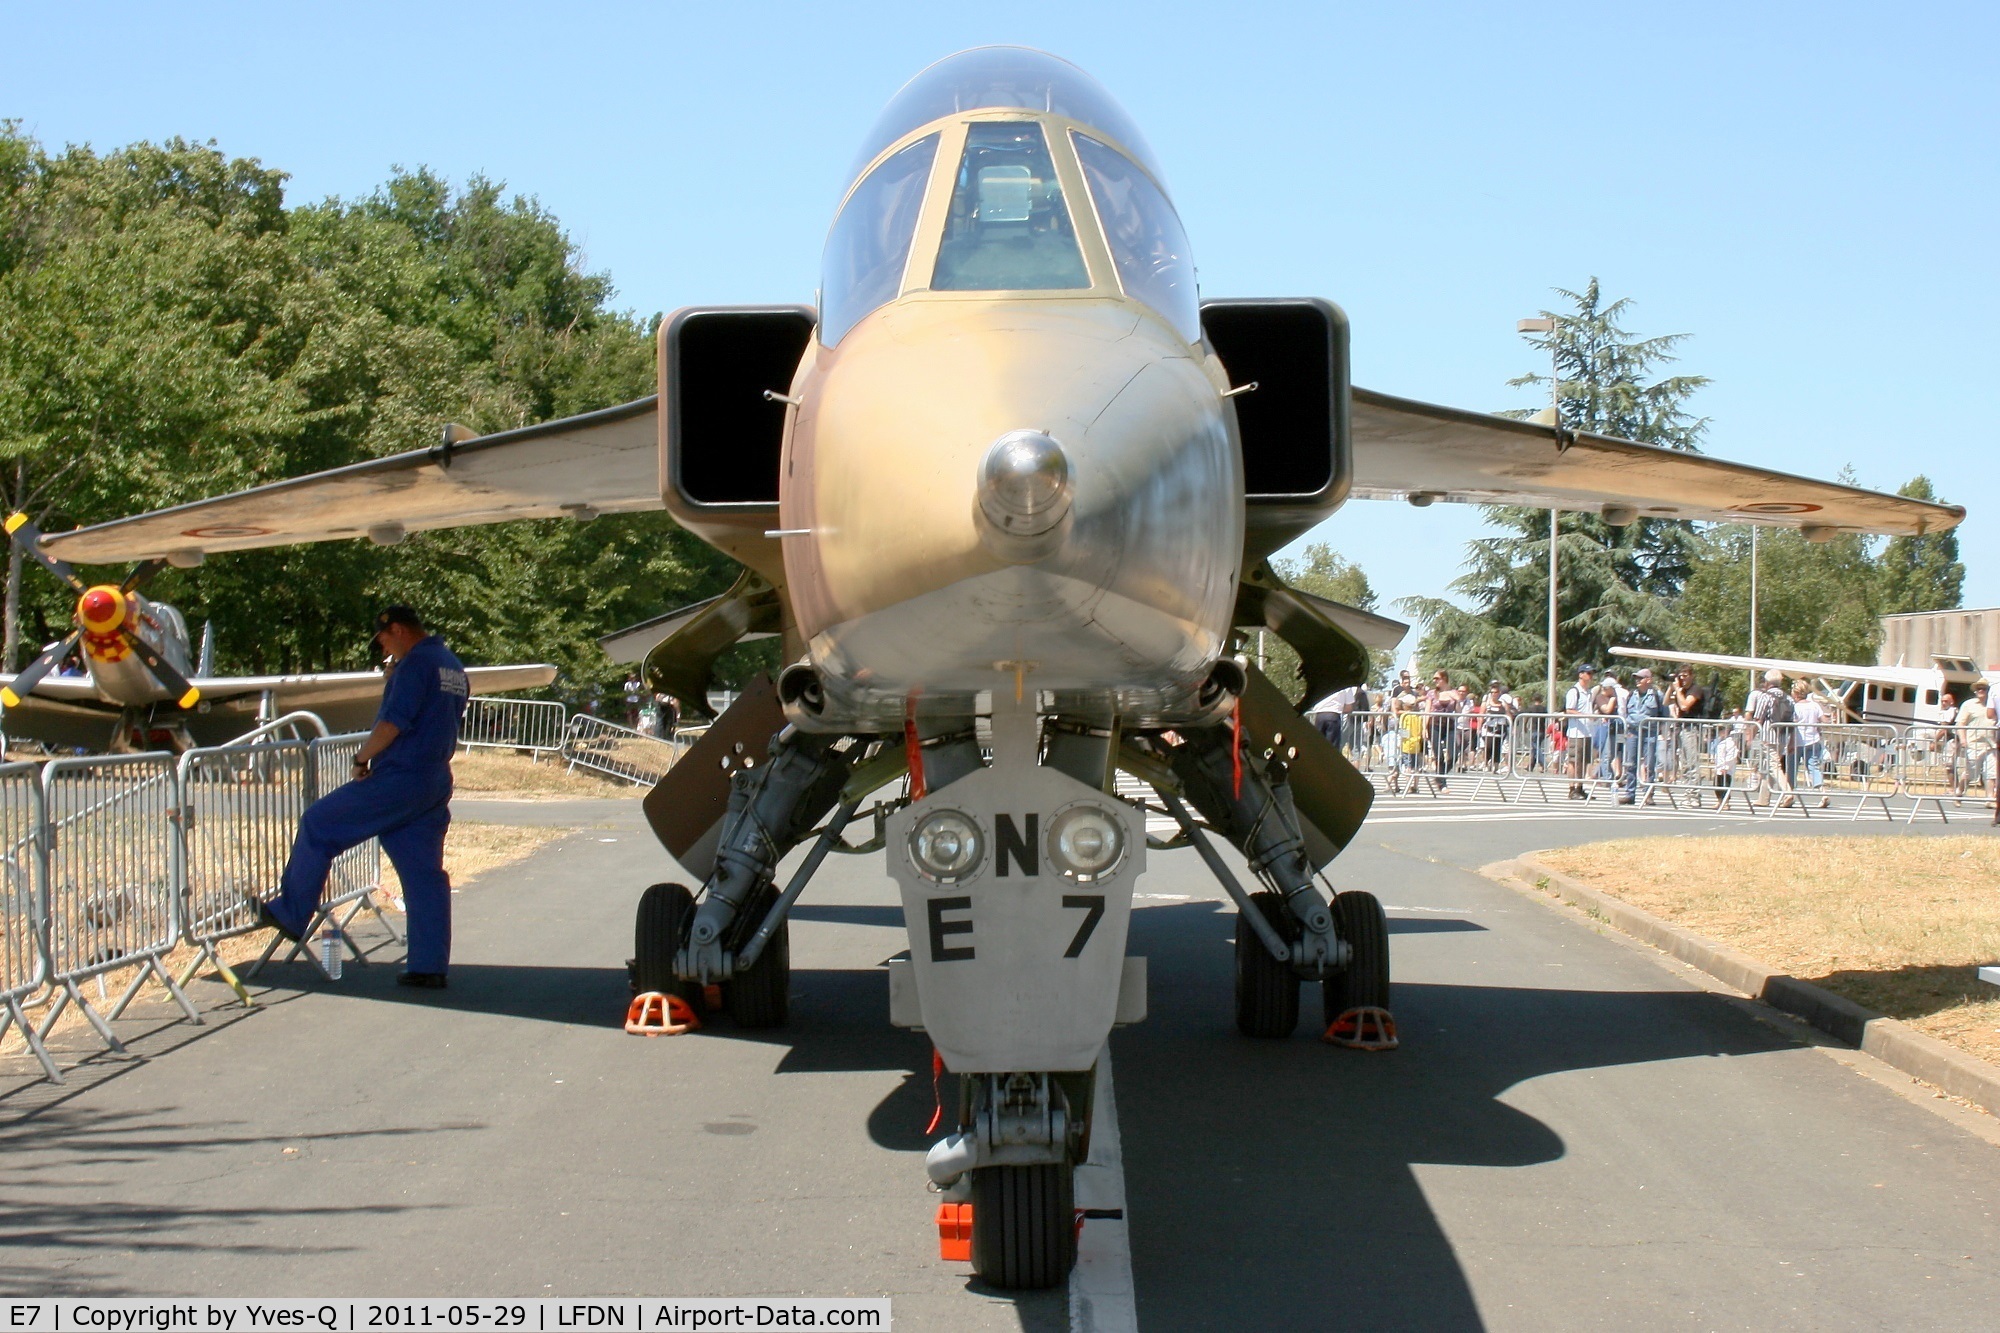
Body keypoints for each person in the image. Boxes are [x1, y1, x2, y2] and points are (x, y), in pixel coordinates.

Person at [258, 606, 470, 988]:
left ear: (399, 630)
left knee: (319, 824)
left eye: (384, 639)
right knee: (424, 875)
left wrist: (362, 757)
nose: (383, 647)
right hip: (433, 778)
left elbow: (393, 722)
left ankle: (290, 913)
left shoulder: (416, 665)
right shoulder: (451, 665)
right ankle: (429, 965)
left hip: (400, 776)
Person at [1746, 668, 1796, 807]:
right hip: (1782, 736)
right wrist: (1791, 740)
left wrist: (1750, 735)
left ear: (1767, 681)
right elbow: (1793, 721)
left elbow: (1758, 719)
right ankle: (1764, 798)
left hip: (1768, 735)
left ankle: (1787, 792)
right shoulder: (1789, 698)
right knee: (1767, 766)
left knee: (1774, 766)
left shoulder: (1765, 697)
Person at [1618, 667, 1668, 804]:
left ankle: (1649, 793)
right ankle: (1630, 793)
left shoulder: (1658, 695)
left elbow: (1664, 714)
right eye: (1636, 678)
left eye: (1640, 678)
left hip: (1650, 732)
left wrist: (1661, 731)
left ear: (1649, 680)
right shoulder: (1631, 694)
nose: (1637, 681)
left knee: (1649, 764)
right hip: (1633, 731)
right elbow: (1625, 712)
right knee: (1630, 763)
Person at [1790, 680, 1829, 808]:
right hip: (1813, 740)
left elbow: (1792, 725)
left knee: (1792, 768)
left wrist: (1790, 742)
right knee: (1813, 767)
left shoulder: (1795, 707)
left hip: (1798, 741)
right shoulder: (1814, 705)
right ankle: (1823, 793)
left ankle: (1789, 793)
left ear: (1795, 693)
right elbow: (1824, 720)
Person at [1563, 665, 1597, 799]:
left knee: (1584, 762)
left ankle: (1580, 787)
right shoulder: (1574, 691)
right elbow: (1569, 710)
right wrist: (1585, 715)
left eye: (1592, 673)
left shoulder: (1588, 692)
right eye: (1588, 673)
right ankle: (1572, 789)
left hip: (1587, 732)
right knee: (1573, 761)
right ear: (1580, 674)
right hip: (1576, 732)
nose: (1591, 676)